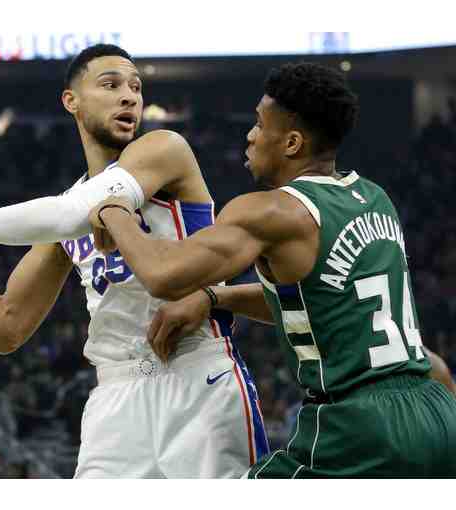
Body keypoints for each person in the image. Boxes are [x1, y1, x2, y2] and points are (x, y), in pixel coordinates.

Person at [0, 44, 268, 478]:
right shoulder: (66, 209)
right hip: (116, 395)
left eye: (136, 87)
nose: (129, 96)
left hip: (197, 377)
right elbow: (5, 325)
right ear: (71, 101)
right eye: (111, 85)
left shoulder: (165, 148)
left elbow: (72, 212)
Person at [87, 62, 456, 478]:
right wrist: (216, 297)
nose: (250, 135)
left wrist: (113, 208)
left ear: (292, 143)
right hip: (435, 409)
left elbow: (163, 275)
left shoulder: (271, 211)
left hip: (361, 430)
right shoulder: (374, 198)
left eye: (260, 125)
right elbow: (320, 303)